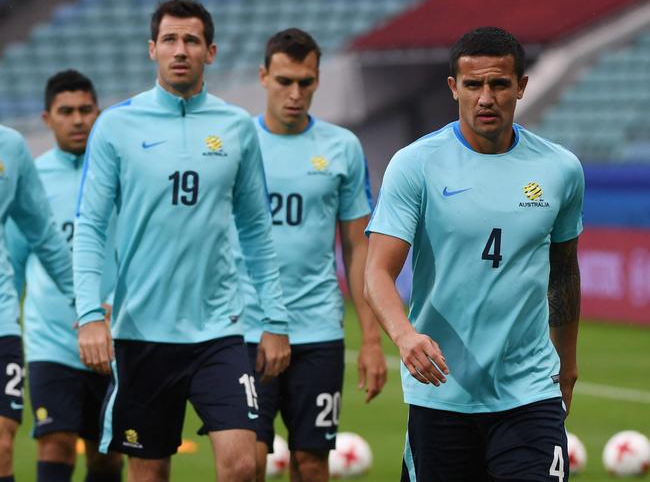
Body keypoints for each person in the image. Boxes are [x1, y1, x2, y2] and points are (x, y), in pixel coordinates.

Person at [73, 0, 290, 481]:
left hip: (220, 331)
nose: (180, 49)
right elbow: (90, 225)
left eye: (191, 40)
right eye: (170, 39)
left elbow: (256, 228)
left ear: (210, 51)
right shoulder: (116, 126)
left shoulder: (236, 127)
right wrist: (89, 314)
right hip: (141, 332)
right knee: (149, 473)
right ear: (152, 49)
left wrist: (274, 318)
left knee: (241, 466)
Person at [364, 26, 584, 481]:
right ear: (453, 88)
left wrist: (567, 361)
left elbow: (562, 272)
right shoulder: (415, 164)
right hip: (442, 394)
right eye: (473, 84)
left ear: (521, 86)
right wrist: (405, 336)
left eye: (500, 84)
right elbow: (377, 273)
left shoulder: (560, 169)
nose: (486, 97)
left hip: (529, 392)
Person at [236, 28, 387, 482]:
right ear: (264, 77)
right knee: (246, 461)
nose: (295, 93)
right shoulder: (238, 143)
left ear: (317, 80)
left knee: (312, 463)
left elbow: (360, 245)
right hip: (247, 326)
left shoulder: (341, 148)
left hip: (318, 330)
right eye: (284, 81)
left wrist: (373, 341)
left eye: (306, 81)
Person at [6, 70, 123, 482]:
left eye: (86, 110)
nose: (78, 120)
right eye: (66, 111)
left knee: (106, 454)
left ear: (99, 113)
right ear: (47, 118)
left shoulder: (122, 176)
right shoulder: (31, 179)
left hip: (116, 337)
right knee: (55, 441)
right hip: (51, 341)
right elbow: (14, 263)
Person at [0, 123, 74, 482]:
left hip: (1, 320)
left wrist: (84, 303)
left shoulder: (11, 147)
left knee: (1, 441)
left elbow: (44, 235)